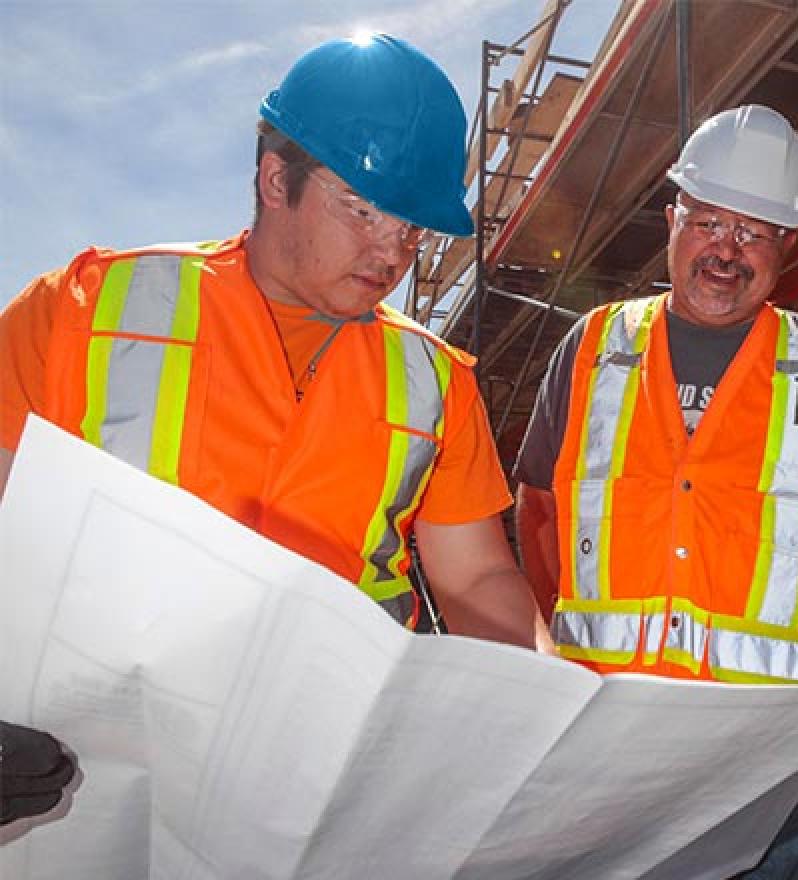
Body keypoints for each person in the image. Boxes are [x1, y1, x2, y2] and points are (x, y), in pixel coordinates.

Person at [0, 34, 541, 644]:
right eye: (363, 210)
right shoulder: (77, 311)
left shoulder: (436, 382)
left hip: (328, 728)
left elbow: (475, 579)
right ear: (277, 181)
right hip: (89, 720)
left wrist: (545, 701)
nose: (392, 254)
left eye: (412, 229)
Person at [509, 105, 798, 880]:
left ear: (786, 246)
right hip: (603, 747)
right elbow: (540, 512)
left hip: (773, 767)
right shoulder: (595, 348)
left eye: (755, 232)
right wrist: (541, 665)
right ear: (673, 218)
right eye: (708, 222)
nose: (726, 251)